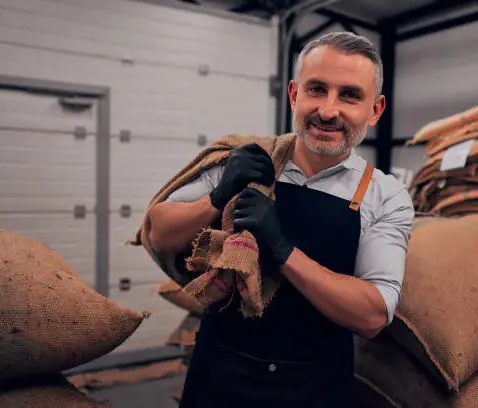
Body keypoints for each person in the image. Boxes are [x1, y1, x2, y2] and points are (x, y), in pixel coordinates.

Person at [148, 31, 414, 408]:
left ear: (375, 110)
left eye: (350, 95)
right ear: (294, 94)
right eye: (316, 89)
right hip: (219, 375)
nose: (327, 110)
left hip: (314, 387)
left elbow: (372, 314)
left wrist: (282, 250)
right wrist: (218, 195)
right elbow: (159, 234)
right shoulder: (243, 161)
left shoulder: (384, 196)